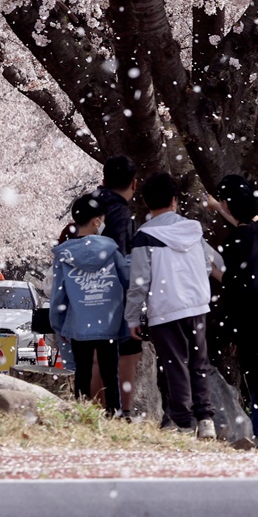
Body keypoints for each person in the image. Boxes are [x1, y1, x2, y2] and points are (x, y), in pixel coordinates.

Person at [124, 173, 224, 438]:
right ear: (174, 200)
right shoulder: (193, 230)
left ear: (147, 203)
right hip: (197, 306)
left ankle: (183, 421)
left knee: (175, 364)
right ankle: (206, 420)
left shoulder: (145, 237)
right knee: (199, 362)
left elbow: (139, 282)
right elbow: (212, 265)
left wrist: (132, 317)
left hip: (166, 309)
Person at [208, 175, 258, 451]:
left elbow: (233, 283)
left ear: (227, 204)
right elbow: (249, 222)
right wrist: (222, 208)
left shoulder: (235, 242)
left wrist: (211, 269)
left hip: (253, 319)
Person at [49, 194, 129, 415]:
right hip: (108, 323)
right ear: (96, 221)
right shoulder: (111, 250)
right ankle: (115, 413)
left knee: (82, 373)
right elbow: (127, 279)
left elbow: (58, 295)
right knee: (109, 373)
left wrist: (59, 324)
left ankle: (82, 414)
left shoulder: (64, 255)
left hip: (79, 324)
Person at [95, 155, 142, 418]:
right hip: (114, 291)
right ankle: (122, 409)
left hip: (87, 287)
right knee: (127, 351)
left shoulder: (89, 205)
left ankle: (93, 407)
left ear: (103, 180)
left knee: (94, 353)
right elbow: (122, 257)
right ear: (134, 184)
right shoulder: (121, 213)